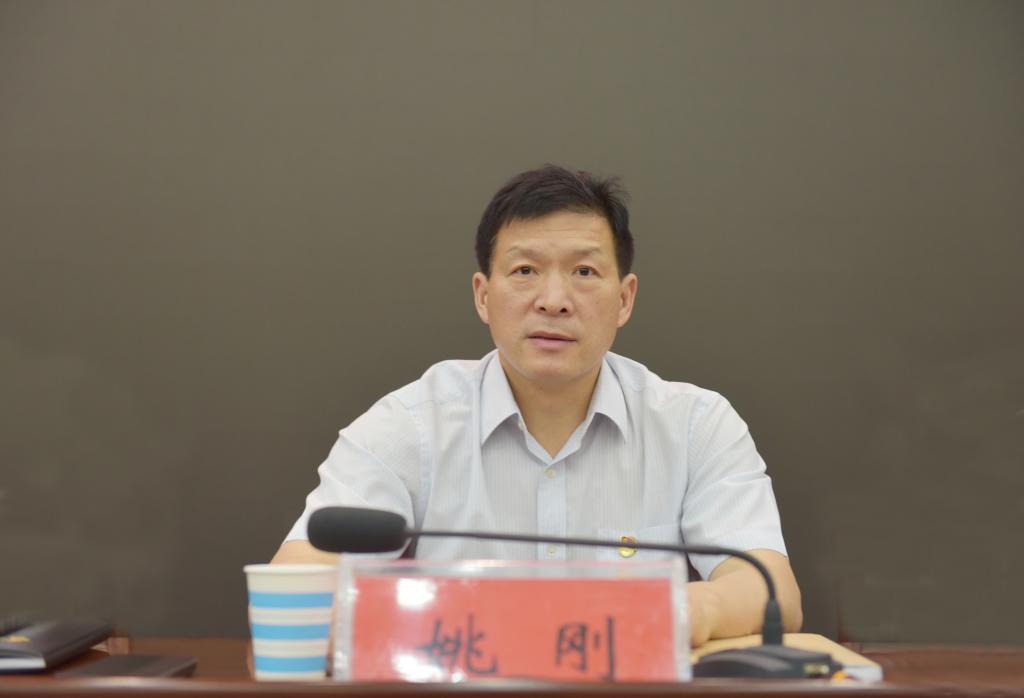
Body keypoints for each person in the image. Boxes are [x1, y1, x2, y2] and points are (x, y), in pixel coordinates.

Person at [271, 165, 802, 647]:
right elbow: (295, 589)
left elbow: (770, 590)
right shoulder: (409, 426)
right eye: (525, 270)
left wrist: (676, 612)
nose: (553, 300)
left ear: (624, 299)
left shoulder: (695, 426)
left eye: (584, 272)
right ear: (483, 295)